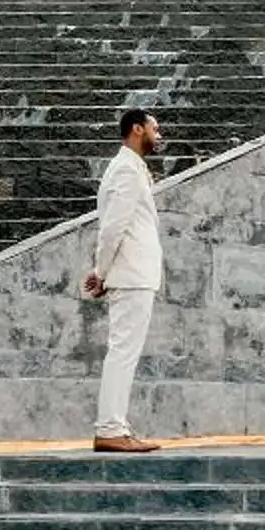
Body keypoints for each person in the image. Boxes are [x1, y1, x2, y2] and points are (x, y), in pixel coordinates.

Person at [81, 108, 165, 453]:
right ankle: (111, 428)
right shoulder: (127, 170)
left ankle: (116, 426)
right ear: (136, 130)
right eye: (154, 129)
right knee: (123, 353)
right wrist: (100, 272)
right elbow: (113, 226)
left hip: (132, 274)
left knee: (123, 353)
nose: (159, 135)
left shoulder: (130, 168)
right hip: (131, 275)